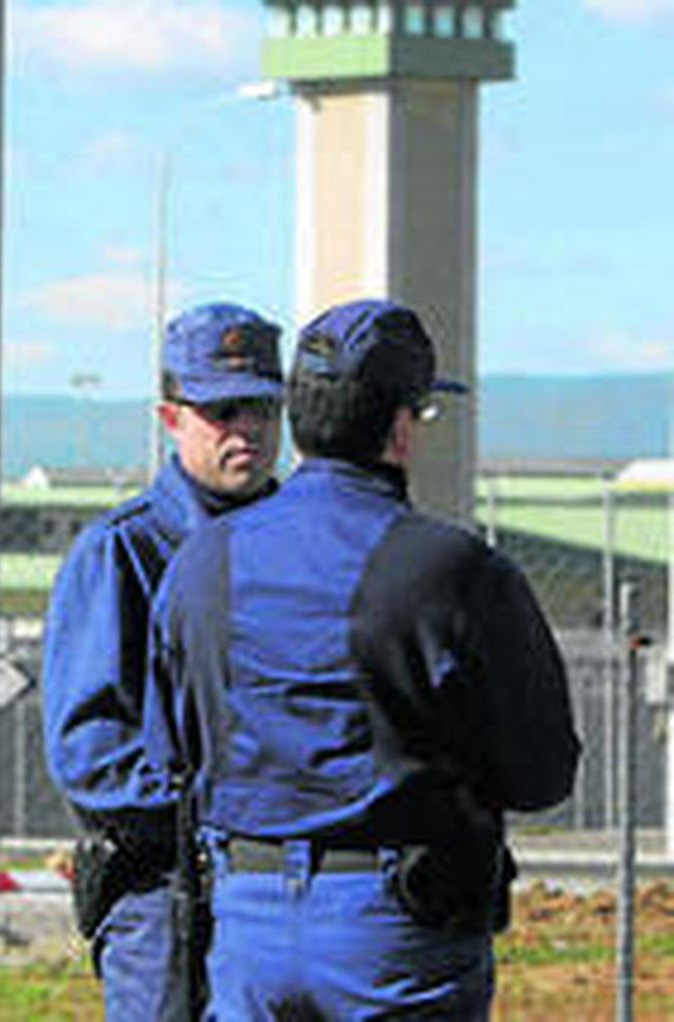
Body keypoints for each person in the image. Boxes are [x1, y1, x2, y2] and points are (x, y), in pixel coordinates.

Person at [147, 298, 580, 1019]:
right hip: (394, 924)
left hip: (245, 912)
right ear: (400, 426)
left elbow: (173, 749)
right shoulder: (452, 570)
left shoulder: (202, 561)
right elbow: (540, 773)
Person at [41, 301, 285, 1019]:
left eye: (263, 410)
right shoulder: (122, 553)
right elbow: (90, 753)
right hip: (167, 895)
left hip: (280, 895)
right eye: (222, 410)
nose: (247, 430)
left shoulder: (302, 545)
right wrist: (222, 809)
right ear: (170, 417)